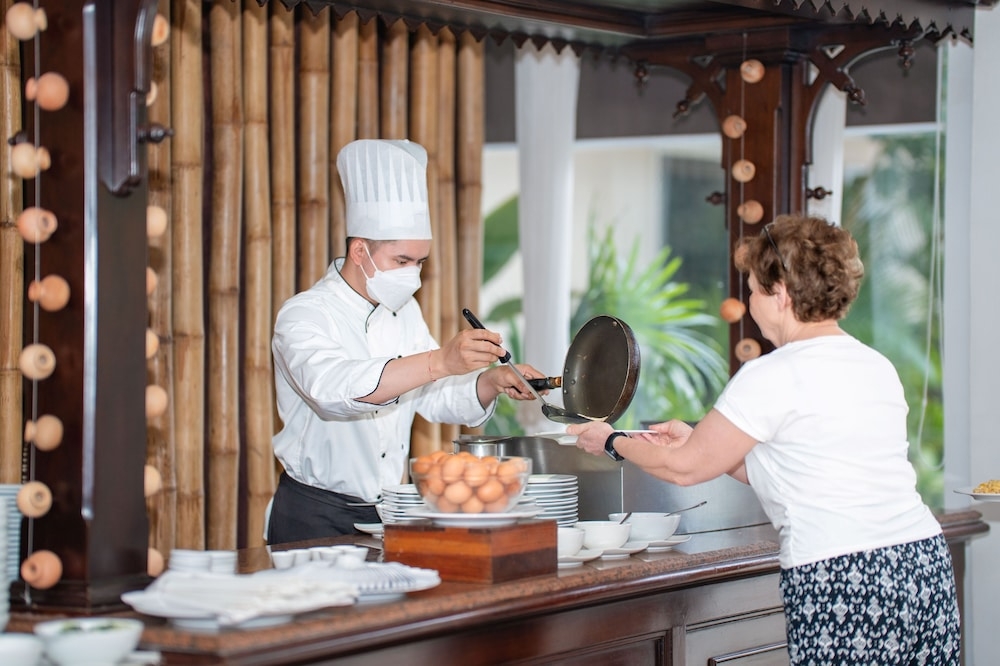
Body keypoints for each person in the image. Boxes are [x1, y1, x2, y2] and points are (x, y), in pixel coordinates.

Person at [568, 214, 960, 665]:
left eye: (753, 288)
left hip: (843, 572)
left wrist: (613, 440)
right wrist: (698, 439)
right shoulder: (874, 365)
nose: (748, 300)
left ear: (782, 295)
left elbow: (685, 468)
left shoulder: (772, 373)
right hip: (923, 561)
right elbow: (792, 468)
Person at [268, 139, 544, 544]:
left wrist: (490, 381)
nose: (413, 276)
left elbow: (431, 396)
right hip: (312, 516)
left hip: (385, 514)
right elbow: (333, 390)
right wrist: (438, 361)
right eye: (402, 261)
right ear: (359, 251)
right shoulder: (304, 314)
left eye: (420, 263)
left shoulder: (404, 312)